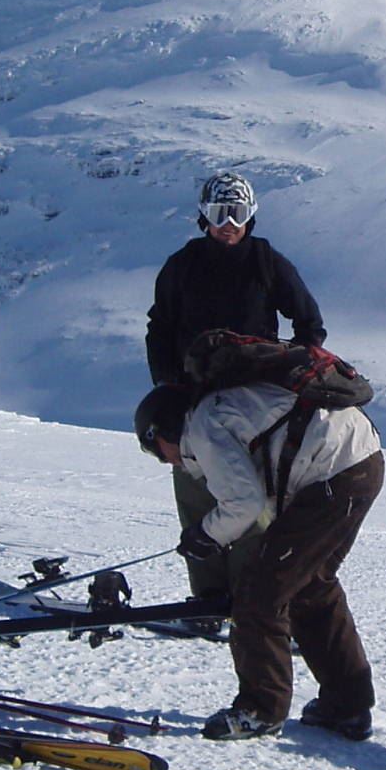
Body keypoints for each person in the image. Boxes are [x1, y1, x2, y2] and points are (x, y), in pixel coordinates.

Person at [133, 379, 383, 742]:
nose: (164, 459)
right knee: (309, 585)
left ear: (162, 429)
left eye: (155, 449)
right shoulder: (217, 409)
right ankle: (346, 706)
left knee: (258, 593)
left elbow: (244, 504)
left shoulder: (202, 427)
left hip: (334, 472)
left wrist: (206, 535)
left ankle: (260, 711)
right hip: (357, 462)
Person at [145, 171, 326, 599]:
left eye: (238, 213)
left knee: (253, 501)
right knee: (195, 496)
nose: (229, 224)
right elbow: (160, 328)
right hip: (193, 401)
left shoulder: (266, 263)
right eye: (219, 213)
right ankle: (207, 598)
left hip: (253, 408)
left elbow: (309, 323)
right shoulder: (182, 265)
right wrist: (168, 386)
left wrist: (289, 375)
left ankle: (253, 598)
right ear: (203, 218)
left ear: (252, 218)